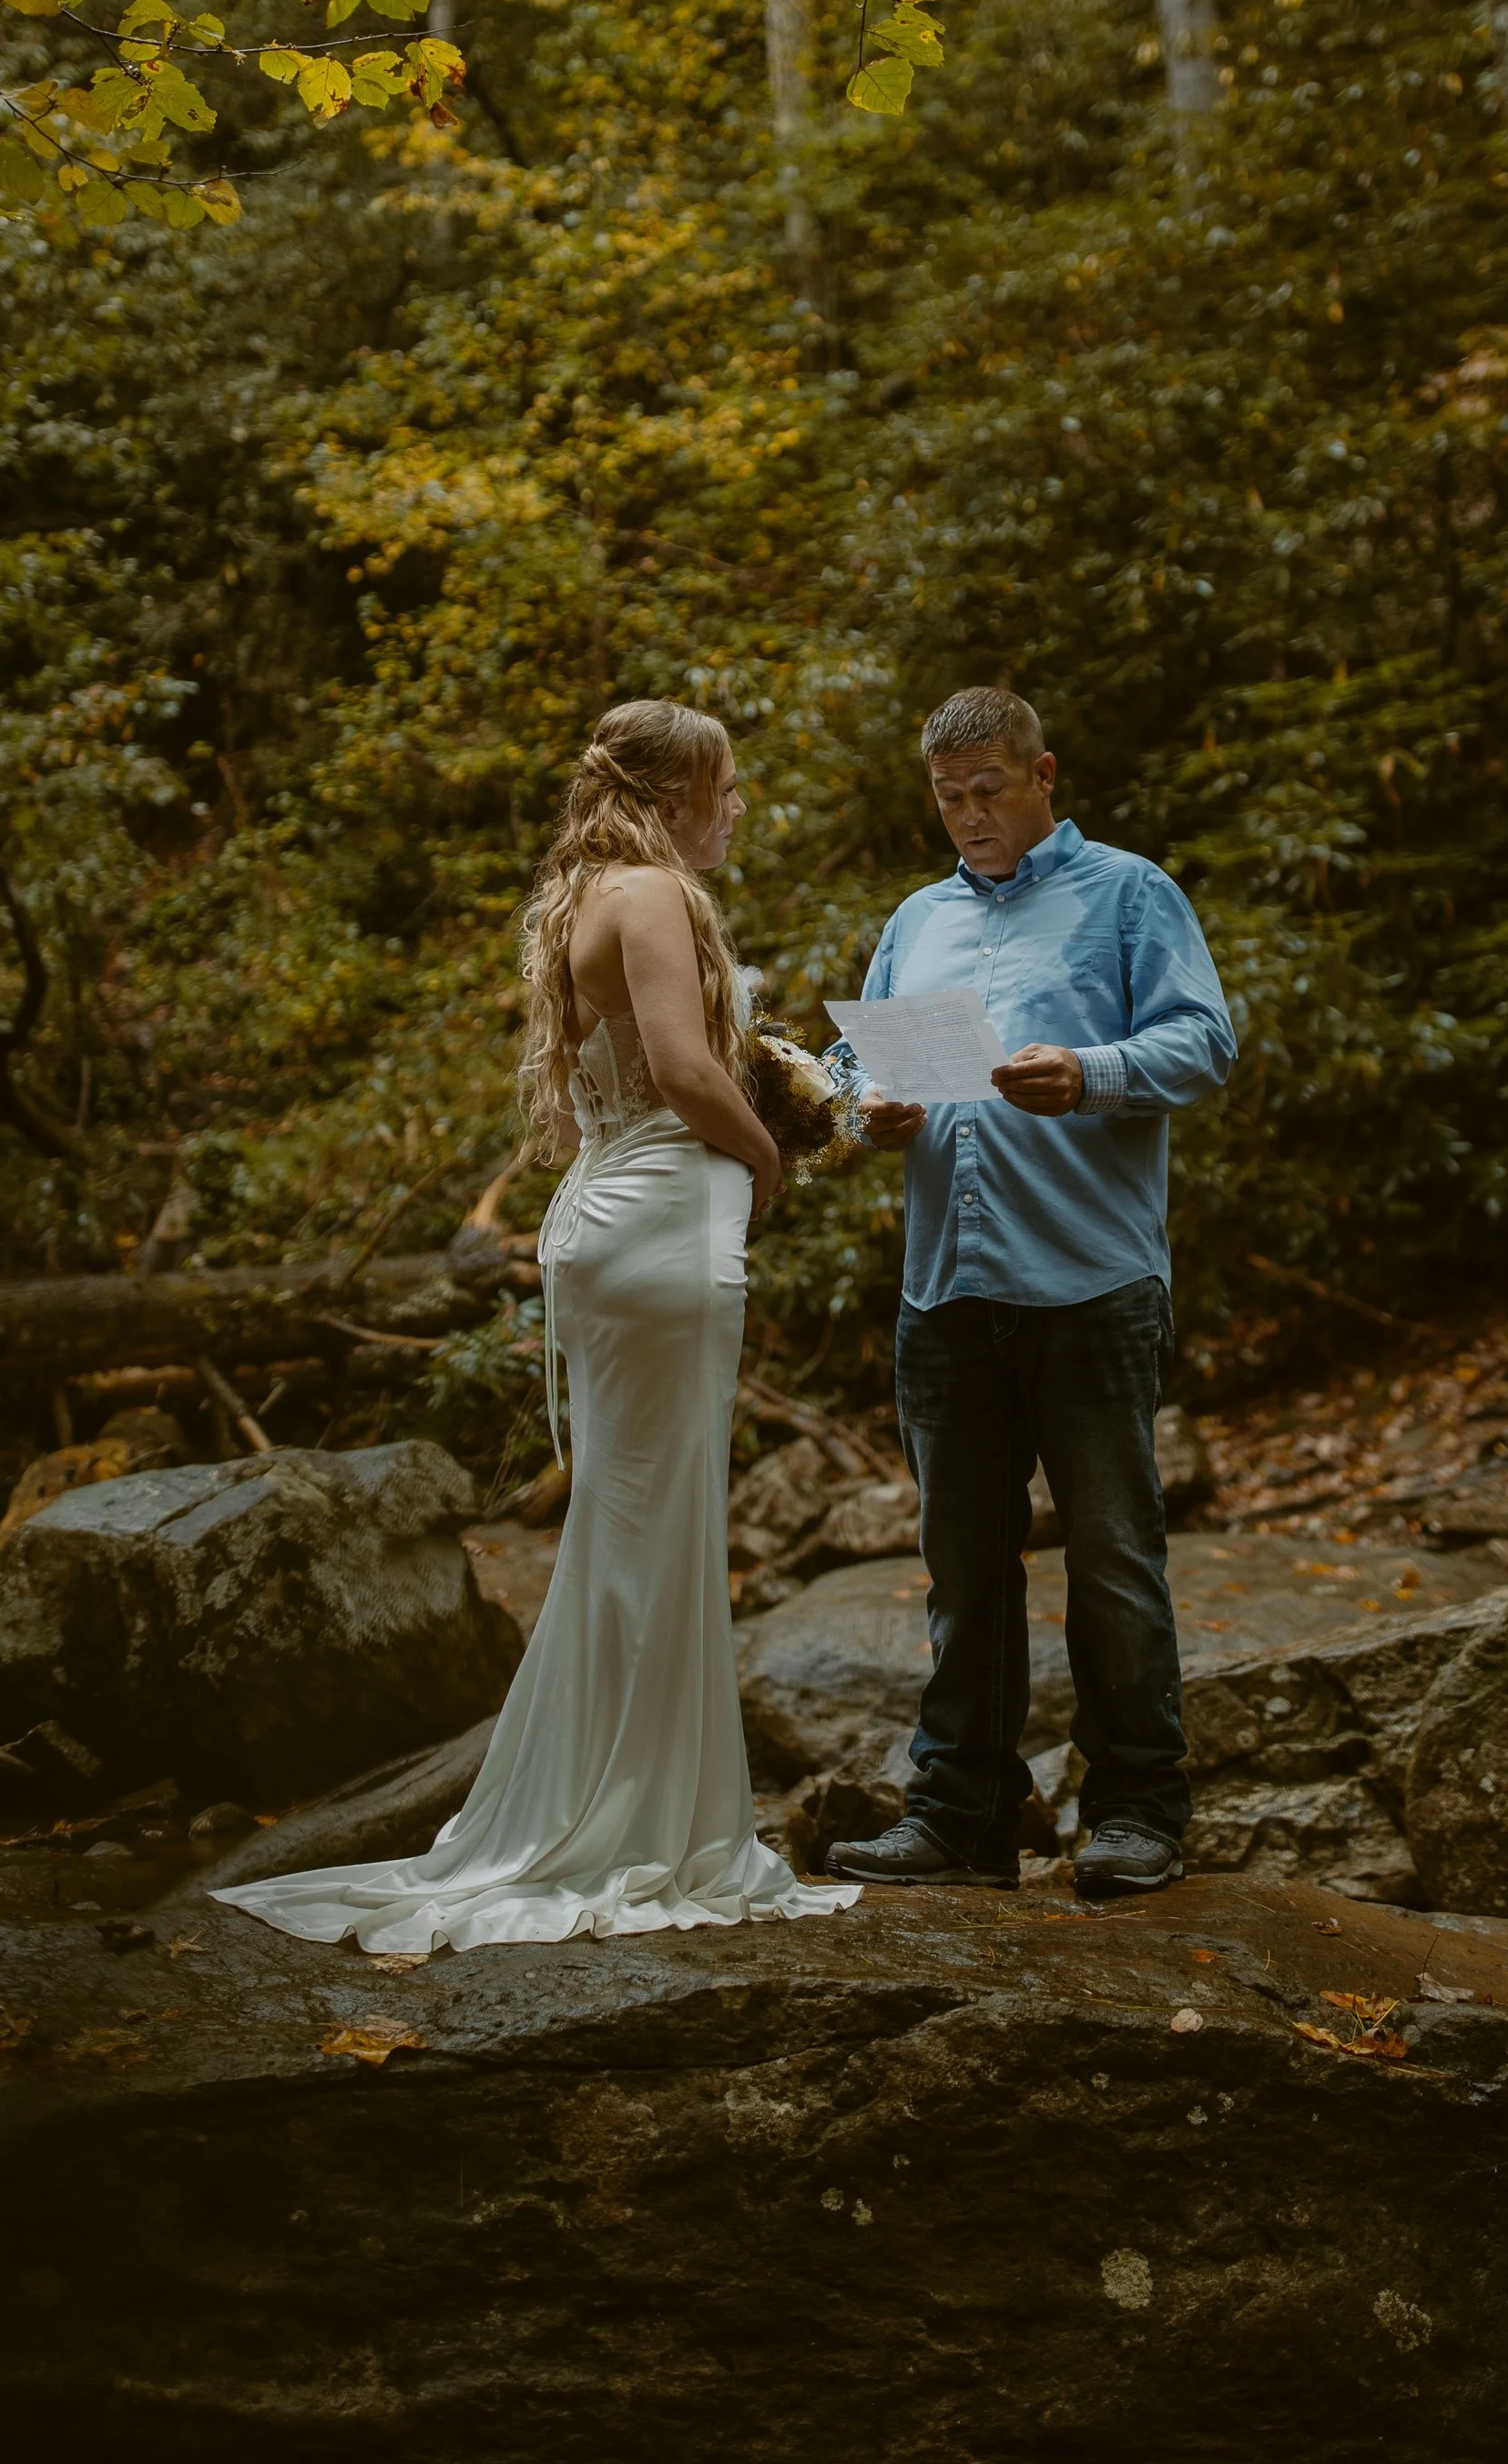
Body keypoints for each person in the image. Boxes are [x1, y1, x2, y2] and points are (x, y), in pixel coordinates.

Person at [217, 699, 858, 1952]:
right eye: (724, 789)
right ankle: (649, 1827)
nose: (736, 811)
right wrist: (765, 1155)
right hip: (664, 1226)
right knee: (659, 1534)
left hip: (614, 1217)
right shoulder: (658, 896)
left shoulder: (583, 895)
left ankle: (621, 1804)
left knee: (629, 1536)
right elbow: (680, 1066)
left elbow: (593, 1099)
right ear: (675, 796)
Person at [829, 687, 1235, 1901]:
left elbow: (1206, 1042)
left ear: (1042, 772)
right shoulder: (916, 918)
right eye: (949, 798)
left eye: (989, 790)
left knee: (1112, 1554)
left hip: (1091, 1283)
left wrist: (1094, 1069)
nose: (969, 817)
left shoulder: (1129, 893)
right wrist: (866, 1111)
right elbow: (851, 1069)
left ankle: (1137, 1811)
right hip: (945, 1291)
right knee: (964, 1563)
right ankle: (964, 1814)